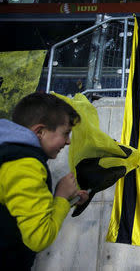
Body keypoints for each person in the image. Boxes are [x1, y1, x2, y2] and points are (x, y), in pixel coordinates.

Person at [0, 92, 89, 270]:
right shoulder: (24, 165)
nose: (68, 142)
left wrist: (69, 199)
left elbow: (18, 210)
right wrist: (62, 197)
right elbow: (39, 238)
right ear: (40, 131)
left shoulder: (10, 155)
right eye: (66, 133)